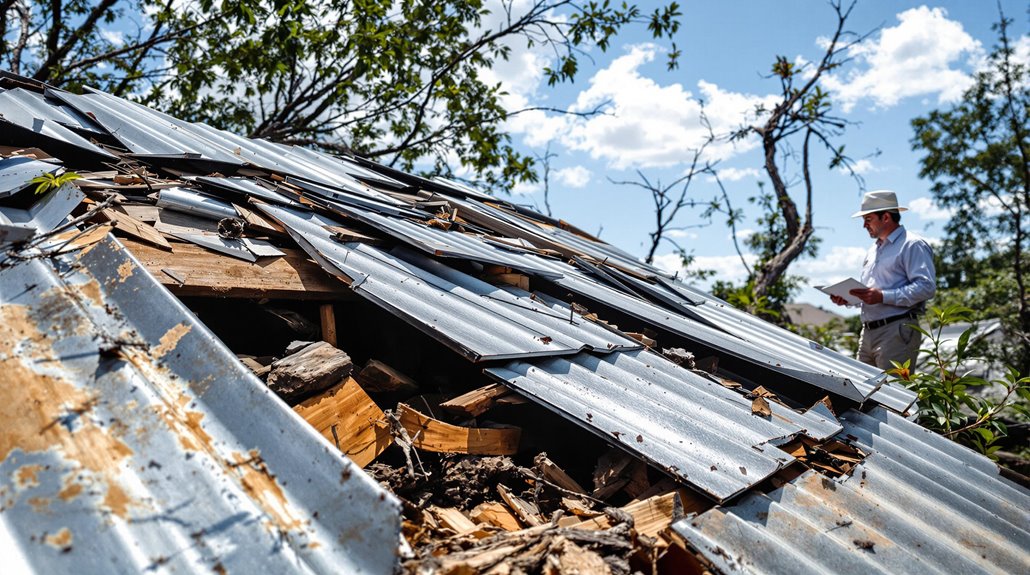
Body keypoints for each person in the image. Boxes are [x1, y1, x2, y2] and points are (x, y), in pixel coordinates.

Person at [830, 190, 936, 370]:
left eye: (868, 219)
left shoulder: (912, 244)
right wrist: (848, 299)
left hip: (896, 330)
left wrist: (883, 296)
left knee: (892, 393)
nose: (864, 225)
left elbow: (926, 287)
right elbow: (873, 292)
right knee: (859, 390)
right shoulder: (873, 250)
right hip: (868, 332)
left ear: (886, 217)